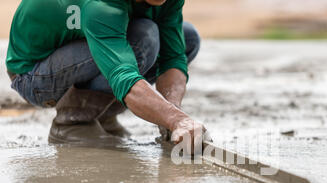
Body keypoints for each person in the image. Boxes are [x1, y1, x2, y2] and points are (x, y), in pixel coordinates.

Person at [6, 0, 208, 147]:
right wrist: (175, 119)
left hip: (79, 46)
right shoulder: (102, 5)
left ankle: (103, 115)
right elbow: (123, 76)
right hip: (32, 74)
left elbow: (172, 58)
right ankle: (71, 122)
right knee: (143, 38)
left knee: (187, 38)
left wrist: (172, 112)